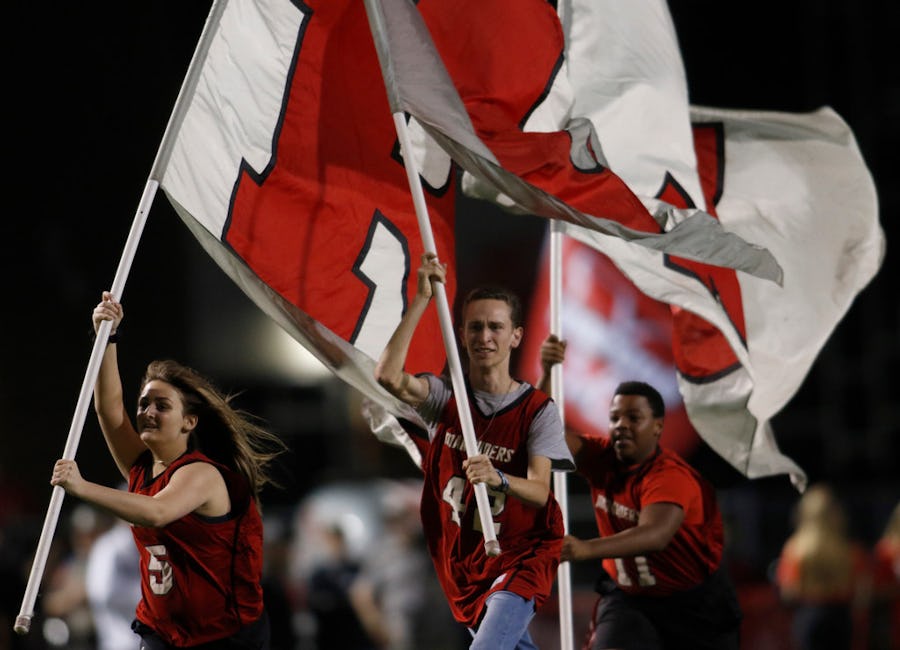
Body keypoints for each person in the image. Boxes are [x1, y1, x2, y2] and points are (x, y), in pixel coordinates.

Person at [50, 292, 286, 649]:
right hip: (164, 632)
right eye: (144, 403)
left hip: (223, 636)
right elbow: (110, 410)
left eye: (162, 406)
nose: (148, 412)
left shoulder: (202, 474)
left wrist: (82, 487)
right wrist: (106, 338)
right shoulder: (142, 468)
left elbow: (157, 511)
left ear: (189, 421)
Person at [374, 253, 573, 650]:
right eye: (475, 327)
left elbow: (539, 491)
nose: (485, 337)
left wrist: (497, 477)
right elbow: (388, 377)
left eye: (496, 327)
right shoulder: (446, 398)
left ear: (516, 336)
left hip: (520, 556)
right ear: (461, 336)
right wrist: (421, 299)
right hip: (466, 560)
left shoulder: (538, 411)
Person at [539, 335, 742, 650]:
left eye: (634, 418)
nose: (621, 425)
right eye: (615, 418)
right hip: (629, 599)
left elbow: (654, 535)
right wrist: (548, 372)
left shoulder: (670, 475)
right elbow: (540, 436)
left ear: (658, 426)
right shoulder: (600, 457)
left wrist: (585, 549)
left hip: (693, 605)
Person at [774, 483, 871, 650]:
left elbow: (788, 593)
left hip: (808, 615)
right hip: (841, 617)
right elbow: (862, 595)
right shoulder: (850, 550)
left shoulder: (795, 550)